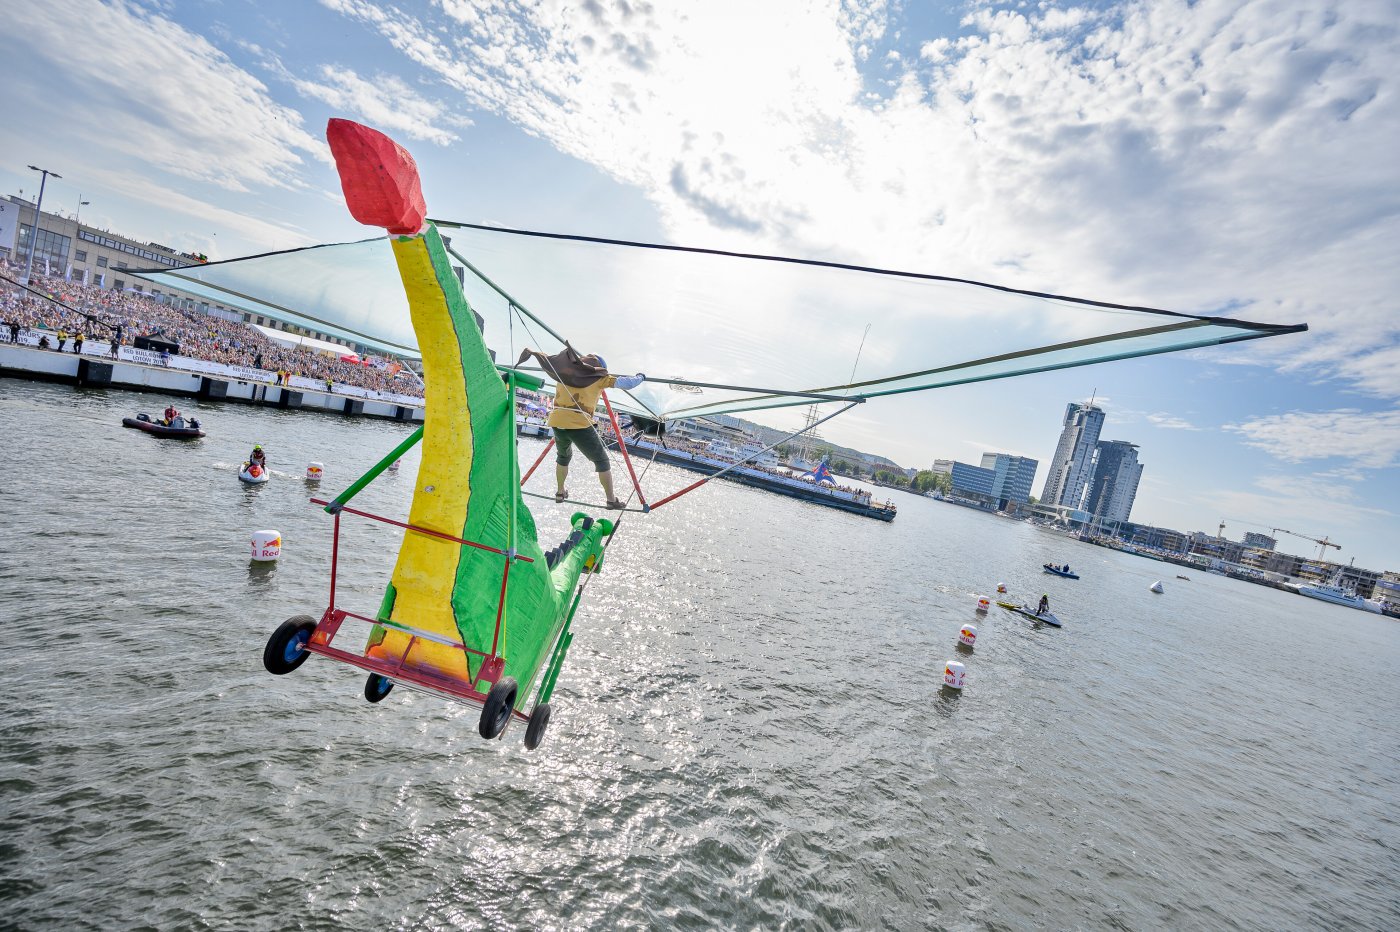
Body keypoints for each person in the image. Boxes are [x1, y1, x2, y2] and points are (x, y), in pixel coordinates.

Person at [517, 345, 643, 509]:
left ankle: (560, 492)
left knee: (563, 457)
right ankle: (611, 500)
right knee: (602, 461)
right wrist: (641, 376)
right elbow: (627, 383)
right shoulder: (597, 377)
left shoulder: (564, 372)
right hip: (579, 422)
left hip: (557, 420)